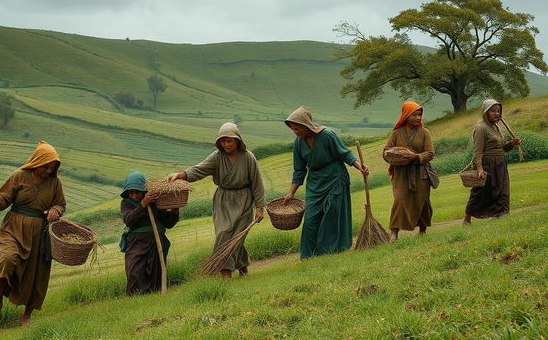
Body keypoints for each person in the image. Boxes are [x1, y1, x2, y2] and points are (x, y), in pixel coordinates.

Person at [0, 141, 66, 325]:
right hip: (14, 228)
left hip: (39, 235)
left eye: (52, 167)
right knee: (8, 258)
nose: (49, 170)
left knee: (37, 275)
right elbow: (2, 199)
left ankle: (27, 315)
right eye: (46, 166)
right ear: (36, 162)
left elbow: (60, 204)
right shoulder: (19, 176)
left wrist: (55, 211)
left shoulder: (55, 183)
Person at [165, 123, 265, 278]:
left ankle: (233, 269)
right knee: (224, 234)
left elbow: (257, 183)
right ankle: (229, 270)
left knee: (238, 237)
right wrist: (180, 175)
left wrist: (260, 207)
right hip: (223, 200)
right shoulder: (217, 157)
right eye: (223, 141)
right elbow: (199, 169)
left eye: (229, 140)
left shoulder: (248, 158)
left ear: (237, 140)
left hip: (244, 199)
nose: (226, 144)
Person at [282, 106, 368, 258]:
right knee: (310, 219)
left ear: (306, 125)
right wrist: (291, 193)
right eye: (293, 129)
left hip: (335, 177)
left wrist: (360, 167)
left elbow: (345, 154)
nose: (295, 132)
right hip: (315, 182)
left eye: (297, 129)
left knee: (332, 213)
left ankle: (328, 251)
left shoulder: (327, 135)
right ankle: (308, 255)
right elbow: (299, 170)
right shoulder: (298, 143)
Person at [383, 101, 436, 242]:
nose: (418, 118)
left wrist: (416, 157)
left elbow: (430, 153)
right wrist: (392, 156)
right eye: (415, 115)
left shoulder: (425, 133)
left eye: (420, 115)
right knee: (399, 200)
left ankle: (422, 230)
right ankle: (394, 233)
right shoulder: (396, 133)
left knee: (422, 200)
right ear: (406, 115)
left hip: (421, 173)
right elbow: (385, 152)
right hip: (400, 174)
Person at [119, 171, 179, 295]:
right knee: (134, 269)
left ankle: (154, 293)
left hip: (157, 241)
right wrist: (143, 204)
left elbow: (168, 223)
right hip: (137, 242)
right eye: (131, 193)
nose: (134, 196)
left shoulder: (155, 202)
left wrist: (174, 211)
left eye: (137, 192)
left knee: (154, 269)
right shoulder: (126, 204)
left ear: (144, 191)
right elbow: (128, 220)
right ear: (127, 193)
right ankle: (136, 295)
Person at [463, 99, 522, 225]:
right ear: (485, 112)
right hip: (487, 164)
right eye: (493, 111)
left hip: (500, 164)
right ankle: (467, 218)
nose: (496, 113)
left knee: (503, 191)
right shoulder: (481, 128)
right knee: (481, 192)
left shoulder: (497, 127)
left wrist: (512, 143)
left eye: (498, 111)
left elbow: (503, 148)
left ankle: (501, 216)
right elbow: (477, 151)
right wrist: (479, 168)